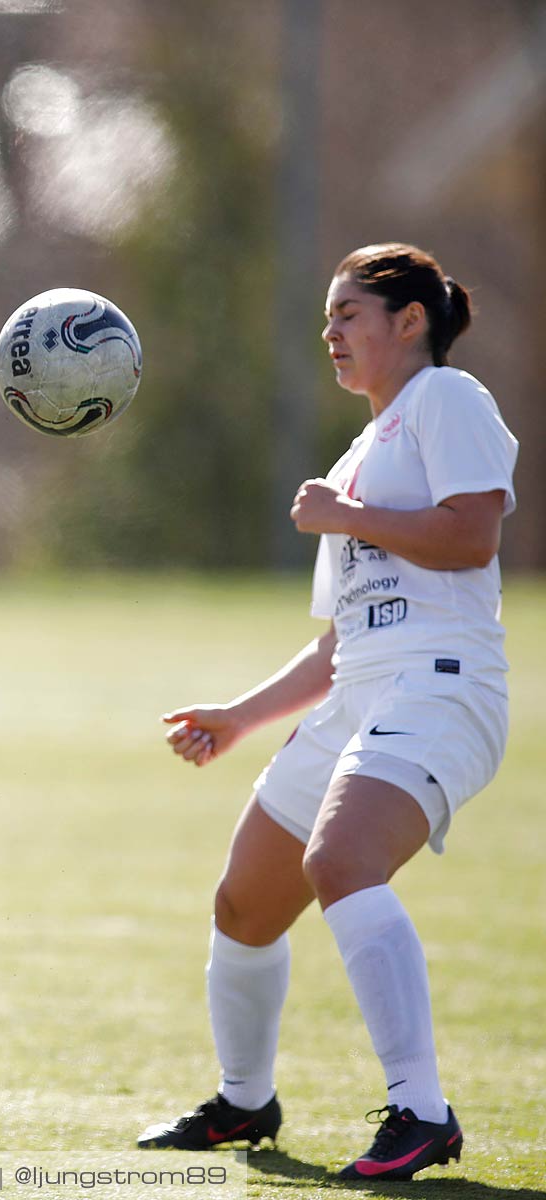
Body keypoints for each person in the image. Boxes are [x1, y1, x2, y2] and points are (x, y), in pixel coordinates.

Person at [139, 243, 516, 1180]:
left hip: (444, 682)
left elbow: (471, 536)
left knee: (341, 861)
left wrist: (344, 518)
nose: (331, 333)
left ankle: (423, 1114)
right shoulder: (360, 451)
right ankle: (243, 1100)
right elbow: (342, 642)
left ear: (410, 319)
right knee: (245, 903)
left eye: (348, 313)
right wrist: (238, 715)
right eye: (327, 318)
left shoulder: (445, 399)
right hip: (364, 692)